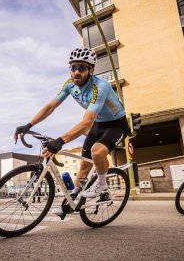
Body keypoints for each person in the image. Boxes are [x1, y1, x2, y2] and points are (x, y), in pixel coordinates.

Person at [14, 47, 129, 216]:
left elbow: (86, 122)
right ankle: (71, 200)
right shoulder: (69, 85)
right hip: (99, 124)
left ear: (91, 70)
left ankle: (102, 185)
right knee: (84, 164)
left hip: (117, 124)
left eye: (81, 68)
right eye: (73, 68)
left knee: (97, 151)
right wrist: (28, 125)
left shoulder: (100, 87)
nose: (76, 72)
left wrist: (60, 141)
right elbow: (50, 106)